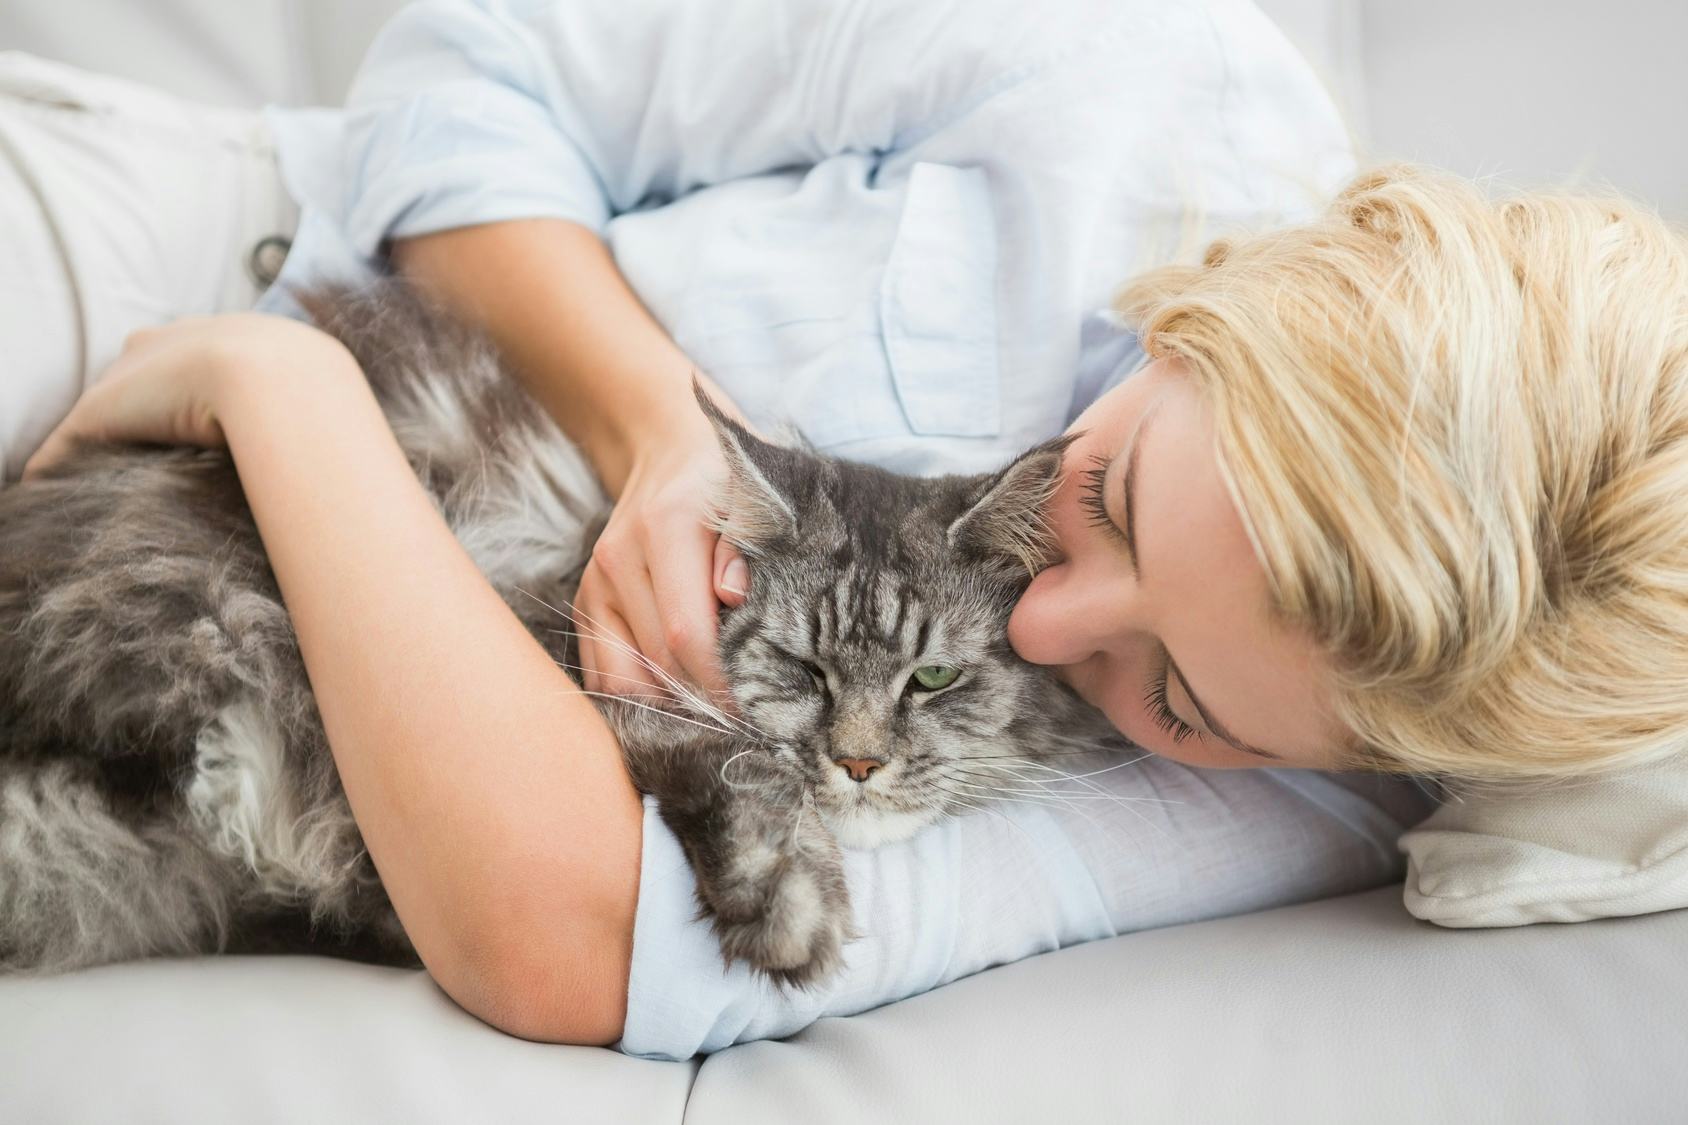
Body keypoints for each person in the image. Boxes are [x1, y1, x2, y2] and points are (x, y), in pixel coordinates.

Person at [5, 0, 1681, 1059]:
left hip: (268, 519)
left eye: (1179, 699)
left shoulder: (1314, 791)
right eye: (1109, 498)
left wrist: (282, 397)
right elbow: (468, 71)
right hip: (222, 230)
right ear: (1231, 303)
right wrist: (655, 425)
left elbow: (582, 934)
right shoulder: (1139, 69)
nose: (1045, 629)